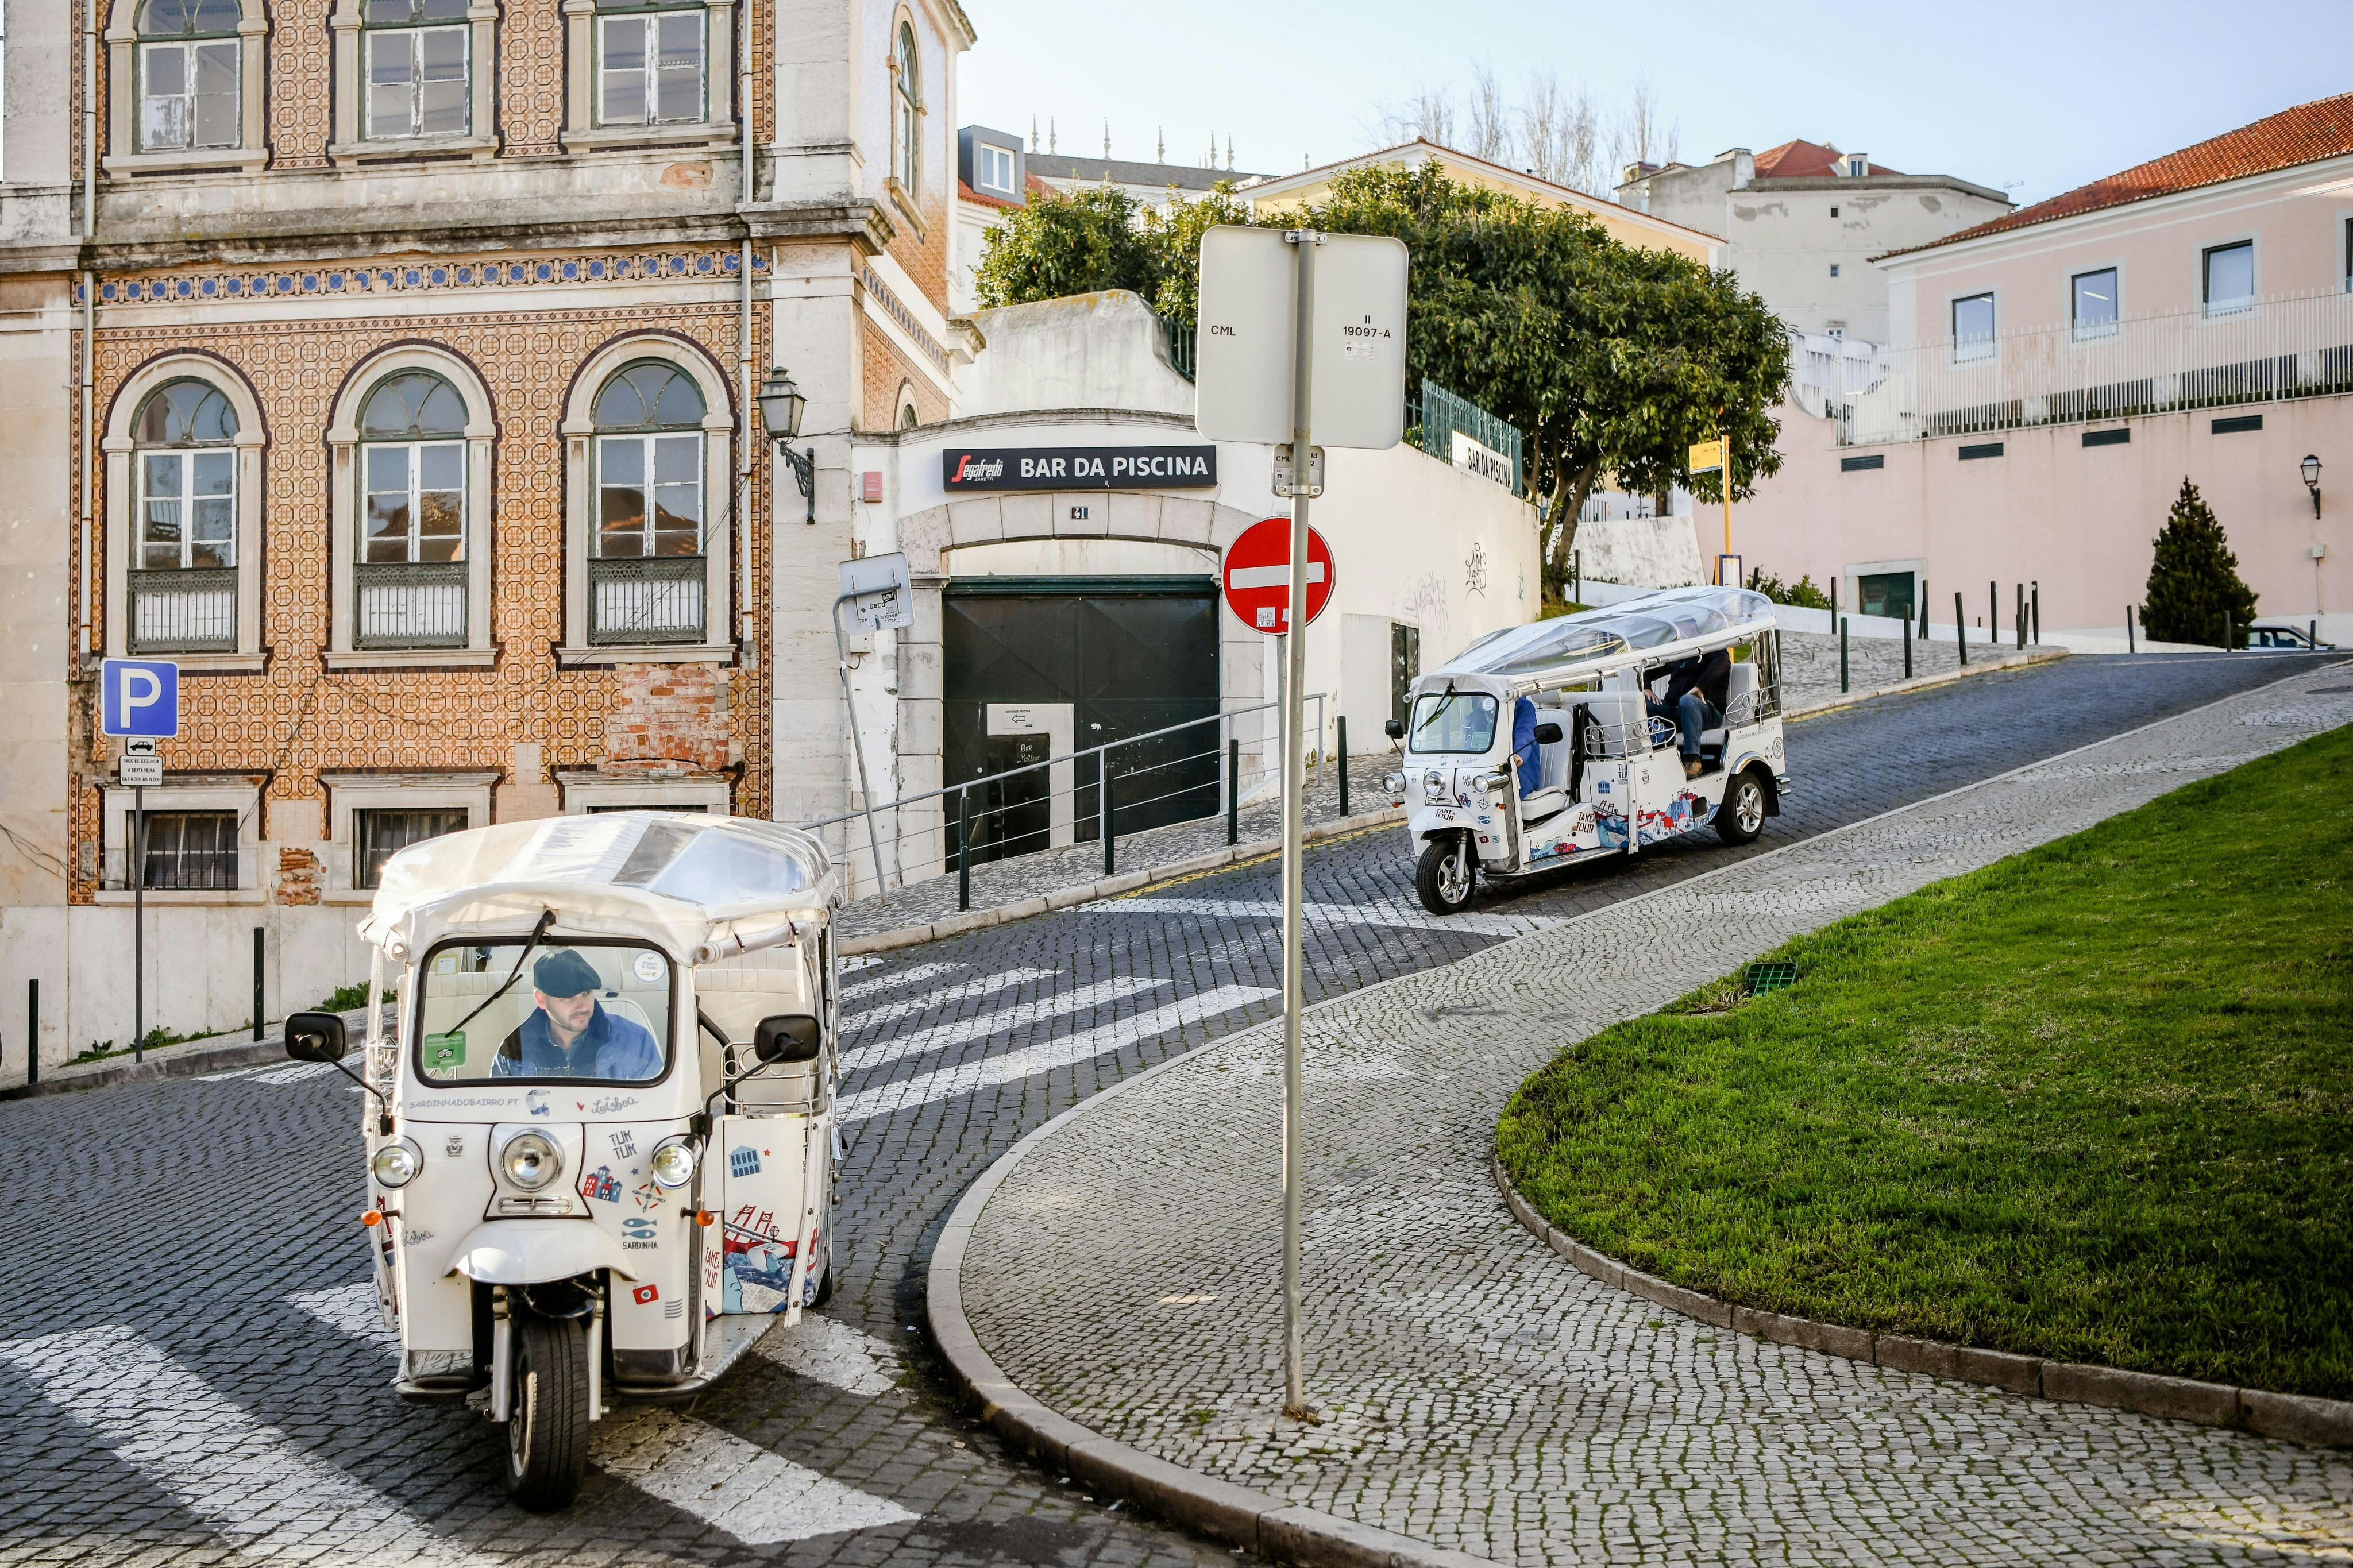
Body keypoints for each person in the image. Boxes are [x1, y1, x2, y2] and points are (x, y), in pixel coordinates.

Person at [493, 949, 664, 1080]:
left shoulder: (635, 1041)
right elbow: (501, 1110)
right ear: (542, 1000)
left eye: (586, 993)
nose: (582, 1006)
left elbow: (655, 1107)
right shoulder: (514, 1049)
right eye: (567, 997)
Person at [1648, 648, 1731, 778]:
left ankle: (1693, 759)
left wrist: (1700, 688)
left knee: (1688, 701)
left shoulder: (1712, 647)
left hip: (1707, 710)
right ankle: (1646, 755)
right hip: (1675, 710)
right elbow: (1648, 672)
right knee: (1641, 703)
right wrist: (1646, 687)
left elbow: (1723, 662)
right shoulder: (1680, 650)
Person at [1507, 695, 1542, 797]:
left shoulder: (1523, 706)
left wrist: (1519, 755)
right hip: (1493, 766)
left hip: (1522, 771)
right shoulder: (1488, 707)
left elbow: (1526, 733)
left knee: (1503, 790)